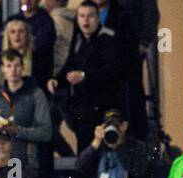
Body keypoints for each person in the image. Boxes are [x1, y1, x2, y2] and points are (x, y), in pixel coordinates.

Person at [51, 0, 132, 160]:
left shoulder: (108, 38)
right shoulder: (79, 40)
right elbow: (69, 65)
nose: (85, 20)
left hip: (102, 110)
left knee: (106, 155)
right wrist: (55, 80)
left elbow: (113, 70)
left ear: (98, 18)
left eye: (90, 16)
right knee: (86, 157)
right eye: (81, 16)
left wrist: (84, 76)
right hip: (82, 111)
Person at [0, 50, 52, 178]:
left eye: (16, 65)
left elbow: (46, 132)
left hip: (28, 160)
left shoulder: (35, 94)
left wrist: (18, 130)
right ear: (3, 69)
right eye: (9, 66)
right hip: (2, 161)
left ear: (23, 67)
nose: (13, 70)